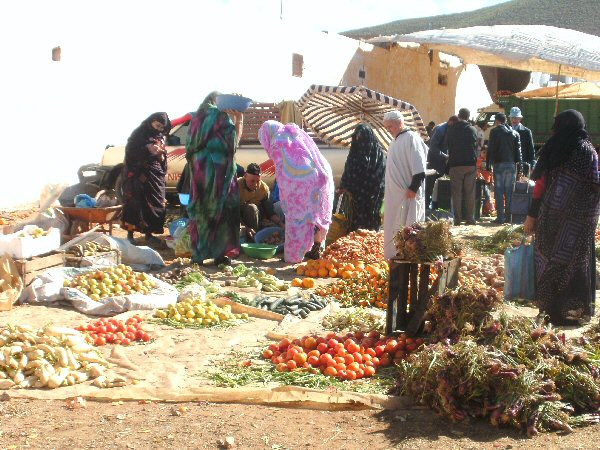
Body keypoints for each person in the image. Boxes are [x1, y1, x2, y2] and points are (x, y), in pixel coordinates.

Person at [524, 110, 600, 326]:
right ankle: (574, 311)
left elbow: (539, 186)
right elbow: (596, 186)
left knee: (549, 262)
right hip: (580, 224)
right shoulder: (589, 152)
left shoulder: (553, 148)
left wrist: (531, 215)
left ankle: (549, 310)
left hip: (551, 218)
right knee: (577, 262)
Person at [258, 121, 334, 263]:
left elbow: (282, 169)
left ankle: (294, 256)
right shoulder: (293, 135)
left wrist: (285, 189)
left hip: (302, 183)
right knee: (314, 215)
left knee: (296, 217)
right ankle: (315, 250)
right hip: (321, 177)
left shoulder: (277, 140)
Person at [186, 91, 244, 265]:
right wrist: (239, 119)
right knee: (223, 208)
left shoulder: (195, 119)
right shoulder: (219, 115)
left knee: (201, 209)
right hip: (217, 170)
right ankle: (220, 254)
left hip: (199, 170)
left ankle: (199, 255)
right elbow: (232, 144)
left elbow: (190, 146)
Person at [382, 110, 428, 259]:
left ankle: (409, 257)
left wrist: (414, 187)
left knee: (409, 228)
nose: (388, 130)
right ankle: (395, 256)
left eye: (390, 126)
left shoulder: (411, 138)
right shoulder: (395, 141)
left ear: (400, 123)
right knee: (394, 227)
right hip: (394, 196)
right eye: (387, 127)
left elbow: (419, 167)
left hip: (408, 194)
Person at [121, 112, 172, 245]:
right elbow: (131, 152)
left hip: (155, 174)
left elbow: (162, 157)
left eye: (161, 127)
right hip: (138, 174)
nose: (158, 129)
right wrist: (148, 152)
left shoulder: (160, 137)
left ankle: (149, 234)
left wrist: (160, 155)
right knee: (135, 203)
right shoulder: (139, 135)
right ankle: (130, 234)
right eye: (157, 125)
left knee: (155, 204)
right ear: (151, 122)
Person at [337, 123, 387, 231]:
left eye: (360, 137)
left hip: (372, 195)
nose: (358, 139)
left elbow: (351, 172)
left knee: (366, 220)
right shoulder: (378, 153)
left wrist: (345, 185)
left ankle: (368, 241)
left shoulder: (377, 154)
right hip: (365, 195)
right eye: (356, 137)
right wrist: (344, 186)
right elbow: (349, 170)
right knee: (363, 221)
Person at [486, 113, 522, 224]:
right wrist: (519, 167)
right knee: (509, 192)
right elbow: (518, 152)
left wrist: (488, 164)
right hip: (511, 165)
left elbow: (491, 149)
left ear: (497, 121)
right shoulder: (515, 133)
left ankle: (500, 217)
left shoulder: (494, 132)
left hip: (499, 164)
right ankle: (509, 217)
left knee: (499, 191)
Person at [446, 108, 478, 225]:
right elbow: (476, 146)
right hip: (470, 164)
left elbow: (448, 144)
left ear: (459, 116)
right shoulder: (473, 129)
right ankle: (470, 218)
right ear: (468, 117)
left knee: (457, 193)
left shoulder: (451, 129)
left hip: (455, 164)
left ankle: (457, 219)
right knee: (469, 192)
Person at [238, 162, 284, 240]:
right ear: (245, 176)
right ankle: (251, 239)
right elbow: (230, 211)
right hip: (239, 219)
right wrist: (246, 227)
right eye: (252, 181)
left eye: (258, 181)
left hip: (257, 218)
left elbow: (270, 213)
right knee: (251, 208)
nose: (256, 184)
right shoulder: (235, 186)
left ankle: (257, 235)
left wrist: (282, 224)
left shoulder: (264, 189)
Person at [426, 115, 458, 209]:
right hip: (434, 161)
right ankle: (427, 207)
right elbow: (433, 147)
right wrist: (444, 156)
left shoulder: (449, 129)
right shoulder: (440, 130)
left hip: (442, 161)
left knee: (437, 186)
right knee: (430, 186)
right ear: (451, 122)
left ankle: (435, 206)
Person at [509, 106, 535, 176]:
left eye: (515, 118)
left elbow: (531, 150)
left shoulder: (526, 131)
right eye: (512, 118)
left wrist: (532, 164)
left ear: (520, 118)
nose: (513, 120)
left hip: (523, 164)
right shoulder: (507, 131)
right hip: (509, 164)